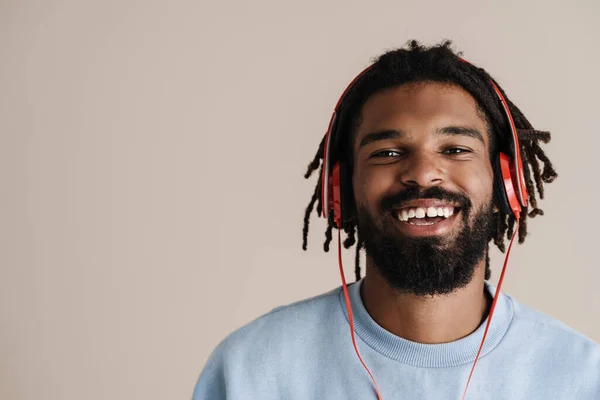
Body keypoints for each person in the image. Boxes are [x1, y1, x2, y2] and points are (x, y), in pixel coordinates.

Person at [193, 40, 600, 399]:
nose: (422, 173)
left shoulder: (583, 377)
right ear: (343, 189)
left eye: (456, 148)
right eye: (387, 153)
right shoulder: (251, 370)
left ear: (505, 185)